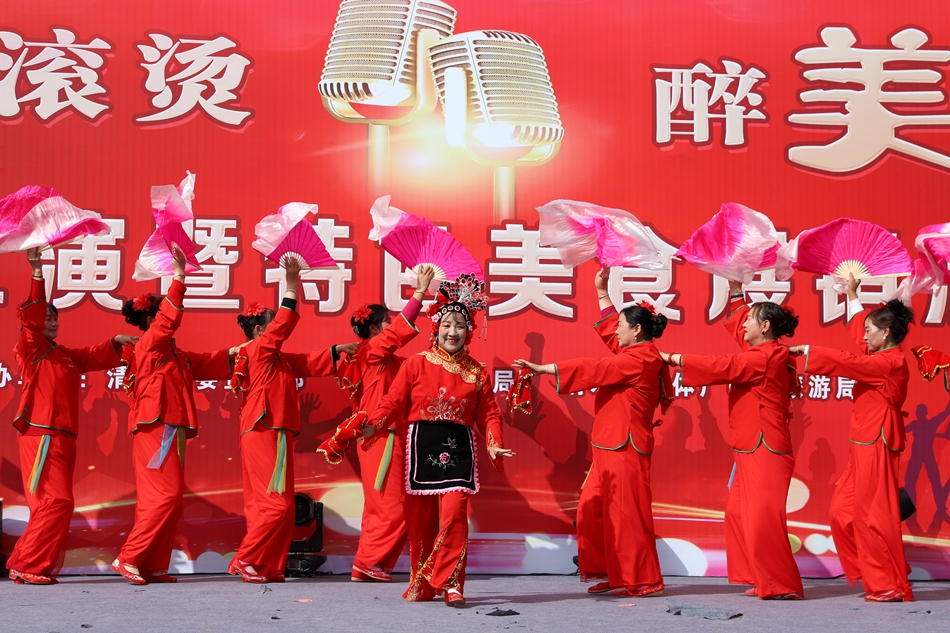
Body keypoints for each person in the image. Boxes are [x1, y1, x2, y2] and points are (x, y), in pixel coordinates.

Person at [331, 274, 513, 606]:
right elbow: (392, 401)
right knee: (420, 523)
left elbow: (489, 414)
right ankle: (423, 582)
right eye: (447, 325)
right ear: (436, 328)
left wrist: (493, 441)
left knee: (455, 517)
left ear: (469, 331)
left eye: (460, 326)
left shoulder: (477, 372)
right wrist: (372, 424)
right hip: (420, 448)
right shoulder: (416, 363)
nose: (453, 332)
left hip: (459, 451)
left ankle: (452, 584)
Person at [513, 266, 674, 597]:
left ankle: (644, 579)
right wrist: (602, 290)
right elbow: (611, 334)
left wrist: (544, 368)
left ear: (637, 330)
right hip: (608, 446)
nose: (616, 331)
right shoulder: (634, 351)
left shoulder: (642, 359)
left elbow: (596, 368)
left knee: (628, 514)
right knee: (592, 508)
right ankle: (612, 572)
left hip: (626, 447)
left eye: (621, 325)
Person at [661, 280, 804, 600]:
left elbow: (725, 366)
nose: (743, 325)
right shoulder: (763, 350)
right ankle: (762, 577)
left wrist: (674, 358)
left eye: (750, 320)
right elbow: (741, 328)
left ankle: (783, 584)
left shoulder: (767, 356)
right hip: (751, 446)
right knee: (739, 514)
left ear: (765, 327)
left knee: (763, 519)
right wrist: (737, 290)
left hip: (767, 448)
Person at [7, 248, 134, 585]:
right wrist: (38, 272)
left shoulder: (63, 354)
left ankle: (26, 563)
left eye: (55, 318)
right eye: (46, 318)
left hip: (63, 436)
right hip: (42, 434)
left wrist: (116, 341)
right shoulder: (31, 348)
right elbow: (32, 320)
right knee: (56, 500)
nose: (51, 323)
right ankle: (27, 563)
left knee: (54, 503)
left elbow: (92, 356)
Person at [227, 258, 357, 583]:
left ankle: (265, 565)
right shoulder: (258, 350)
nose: (276, 329)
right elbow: (285, 322)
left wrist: (338, 349)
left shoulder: (277, 358)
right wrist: (291, 284)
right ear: (261, 331)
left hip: (273, 430)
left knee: (266, 506)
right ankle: (246, 559)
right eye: (271, 325)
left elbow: (309, 362)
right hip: (264, 428)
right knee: (277, 506)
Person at [788, 274, 914, 602]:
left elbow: (849, 361)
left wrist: (804, 350)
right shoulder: (879, 355)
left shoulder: (891, 362)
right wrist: (852, 294)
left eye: (870, 331)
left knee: (872, 514)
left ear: (886, 332)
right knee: (841, 513)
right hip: (863, 444)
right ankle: (878, 571)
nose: (864, 336)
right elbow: (861, 342)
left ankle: (889, 583)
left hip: (878, 442)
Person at [111, 247, 234, 585]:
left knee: (167, 498)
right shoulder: (149, 344)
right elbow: (169, 319)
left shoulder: (172, 352)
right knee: (163, 496)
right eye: (161, 313)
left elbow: (206, 362)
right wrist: (179, 275)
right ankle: (129, 557)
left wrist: (239, 352)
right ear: (152, 320)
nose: (167, 320)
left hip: (169, 427)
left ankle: (150, 563)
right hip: (156, 425)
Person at [326, 265, 436, 583]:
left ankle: (370, 563)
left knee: (382, 505)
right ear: (375, 329)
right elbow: (399, 331)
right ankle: (369, 561)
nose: (391, 324)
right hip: (380, 436)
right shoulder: (372, 351)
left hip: (385, 435)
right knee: (394, 505)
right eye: (387, 321)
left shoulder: (386, 360)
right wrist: (420, 291)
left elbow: (419, 366)